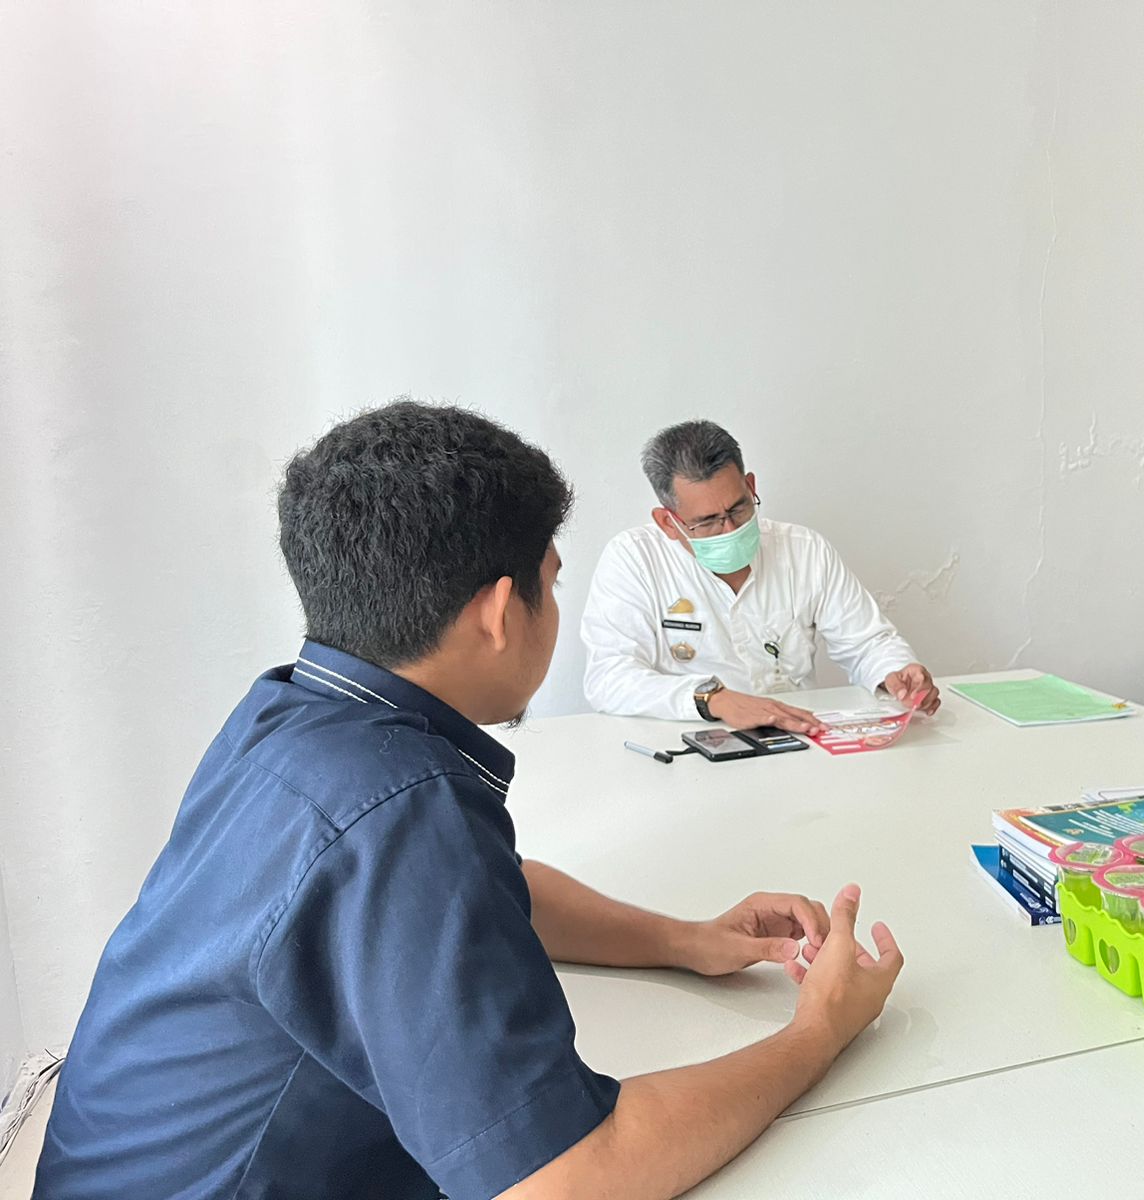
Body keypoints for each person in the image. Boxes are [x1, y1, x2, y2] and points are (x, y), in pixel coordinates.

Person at [36, 402, 903, 1200]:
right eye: (549, 585)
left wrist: (686, 940)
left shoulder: (292, 714)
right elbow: (565, 1179)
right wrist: (818, 1033)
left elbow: (483, 890)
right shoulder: (400, 811)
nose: (552, 607)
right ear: (498, 613)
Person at [581, 419, 939, 733]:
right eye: (707, 522)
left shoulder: (804, 550)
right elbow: (609, 678)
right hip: (688, 748)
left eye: (739, 508)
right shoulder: (634, 559)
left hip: (799, 739)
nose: (730, 529)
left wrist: (897, 673)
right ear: (668, 522)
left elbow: (867, 643)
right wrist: (713, 699)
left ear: (751, 486)